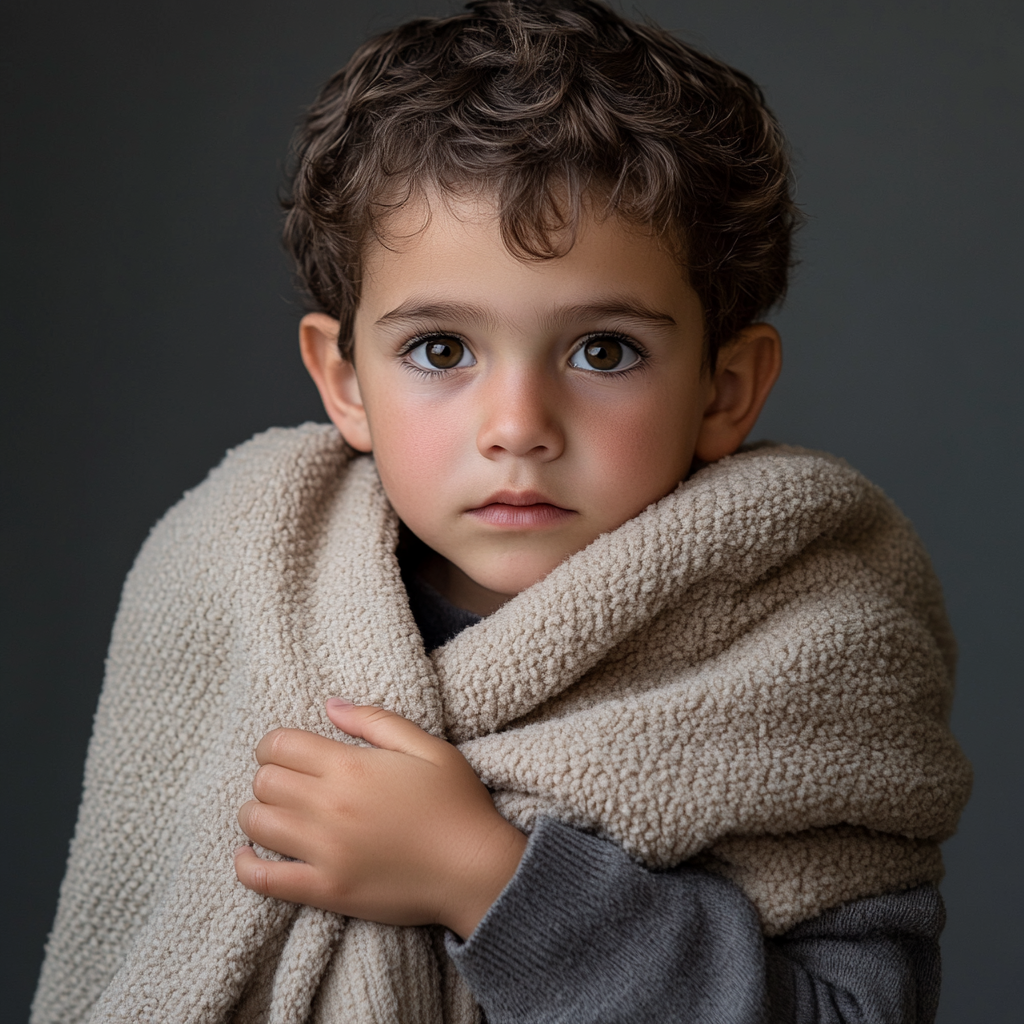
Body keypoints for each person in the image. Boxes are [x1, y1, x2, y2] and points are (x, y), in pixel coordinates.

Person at [32, 2, 972, 1022]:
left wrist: (486, 878)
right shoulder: (240, 582)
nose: (517, 425)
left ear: (723, 388)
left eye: (602, 350)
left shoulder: (806, 644)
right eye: (441, 349)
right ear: (343, 380)